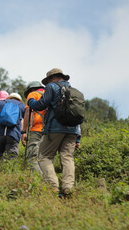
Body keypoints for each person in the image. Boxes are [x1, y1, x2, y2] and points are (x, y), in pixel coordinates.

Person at [27, 68, 81, 196]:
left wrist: (31, 102)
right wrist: (78, 138)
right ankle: (68, 187)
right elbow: (78, 115)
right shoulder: (74, 91)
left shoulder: (51, 87)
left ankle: (53, 186)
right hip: (73, 130)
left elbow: (41, 105)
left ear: (52, 78)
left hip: (55, 128)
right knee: (67, 158)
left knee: (44, 157)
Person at [0, 93, 26, 159]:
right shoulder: (21, 105)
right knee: (11, 158)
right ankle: (7, 169)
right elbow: (26, 120)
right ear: (19, 99)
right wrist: (24, 133)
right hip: (13, 135)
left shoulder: (0, 103)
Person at [21, 81, 45, 174]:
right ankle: (50, 181)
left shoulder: (33, 94)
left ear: (31, 89)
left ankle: (40, 181)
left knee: (32, 156)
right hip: (51, 131)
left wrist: (24, 131)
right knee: (45, 158)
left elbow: (28, 112)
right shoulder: (49, 94)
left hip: (36, 130)